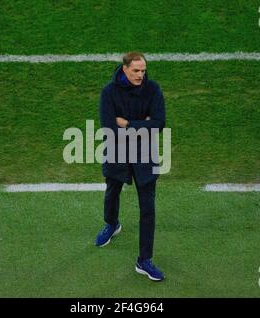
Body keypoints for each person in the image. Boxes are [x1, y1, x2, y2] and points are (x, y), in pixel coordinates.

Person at [95, 52, 166, 281]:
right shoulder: (108, 92)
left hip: (145, 155)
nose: (140, 75)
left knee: (148, 208)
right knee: (112, 191)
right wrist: (141, 127)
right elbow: (108, 128)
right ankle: (112, 224)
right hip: (117, 152)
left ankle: (144, 261)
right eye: (136, 70)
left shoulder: (153, 89)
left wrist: (127, 124)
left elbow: (158, 124)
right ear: (124, 69)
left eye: (143, 70)